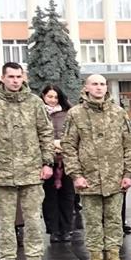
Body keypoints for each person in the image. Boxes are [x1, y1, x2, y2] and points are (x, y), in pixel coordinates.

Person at [61, 75, 131, 260]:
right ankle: (95, 258)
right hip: (89, 178)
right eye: (94, 84)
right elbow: (68, 146)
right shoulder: (75, 114)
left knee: (114, 219)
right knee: (93, 220)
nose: (99, 88)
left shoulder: (119, 113)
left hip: (115, 176)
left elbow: (129, 144)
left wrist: (129, 172)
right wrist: (76, 175)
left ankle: (113, 256)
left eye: (102, 84)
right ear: (86, 88)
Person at [0, 62, 54, 260]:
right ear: (3, 78)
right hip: (3, 171)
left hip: (32, 171)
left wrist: (47, 163)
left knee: (34, 219)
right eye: (11, 77)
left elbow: (46, 134)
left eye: (19, 77)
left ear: (23, 77)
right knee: (5, 222)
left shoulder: (34, 102)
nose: (15, 81)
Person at [40, 84, 75, 243]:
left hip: (66, 160)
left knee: (67, 196)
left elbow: (73, 135)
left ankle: (66, 228)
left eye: (55, 97)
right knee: (50, 197)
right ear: (43, 97)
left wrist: (63, 144)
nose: (53, 100)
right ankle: (53, 229)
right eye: (49, 97)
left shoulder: (68, 113)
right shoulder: (39, 112)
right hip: (46, 161)